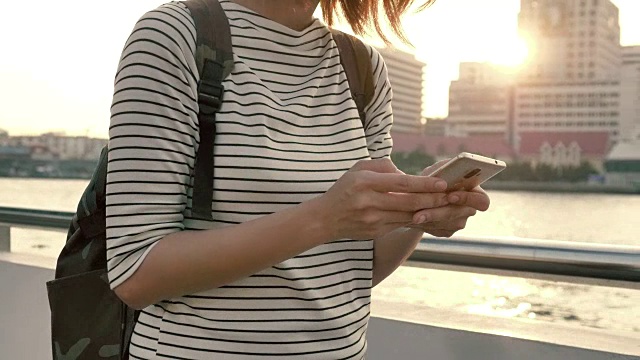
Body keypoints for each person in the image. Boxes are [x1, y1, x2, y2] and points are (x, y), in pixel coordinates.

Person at [106, 0, 490, 358]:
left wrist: (417, 216)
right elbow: (134, 273)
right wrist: (325, 218)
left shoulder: (360, 65)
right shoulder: (174, 35)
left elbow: (350, 270)